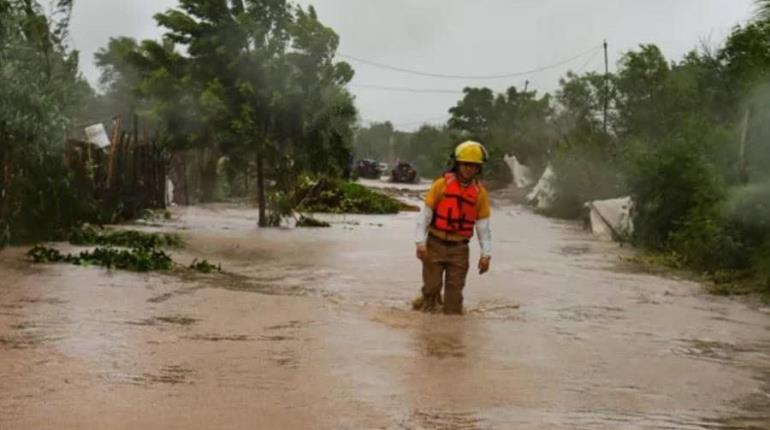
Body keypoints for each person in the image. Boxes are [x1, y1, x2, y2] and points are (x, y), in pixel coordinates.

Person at [413, 140, 492, 314]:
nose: (468, 169)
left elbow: (483, 228)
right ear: (457, 164)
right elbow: (424, 217)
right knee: (432, 290)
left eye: (473, 166)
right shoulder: (440, 185)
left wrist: (486, 255)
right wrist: (420, 243)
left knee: (453, 305)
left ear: (479, 168)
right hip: (435, 244)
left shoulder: (480, 194)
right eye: (465, 164)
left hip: (459, 249)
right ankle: (427, 297)